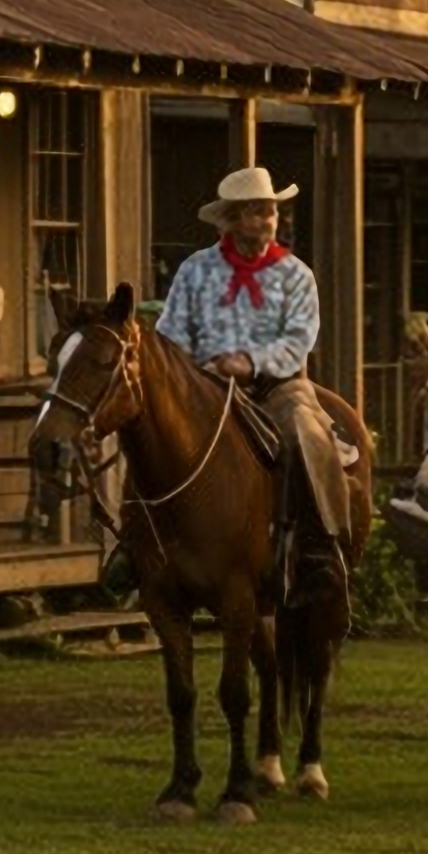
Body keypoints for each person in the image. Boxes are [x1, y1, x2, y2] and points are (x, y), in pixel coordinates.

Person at [158, 164, 342, 586]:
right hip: (203, 388)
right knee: (154, 428)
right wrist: (197, 367)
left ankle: (316, 547)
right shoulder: (194, 271)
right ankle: (138, 543)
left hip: (278, 386)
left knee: (304, 434)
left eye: (272, 211)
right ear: (234, 218)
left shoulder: (296, 275)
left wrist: (250, 362)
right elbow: (170, 333)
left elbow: (299, 340)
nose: (269, 220)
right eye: (259, 211)